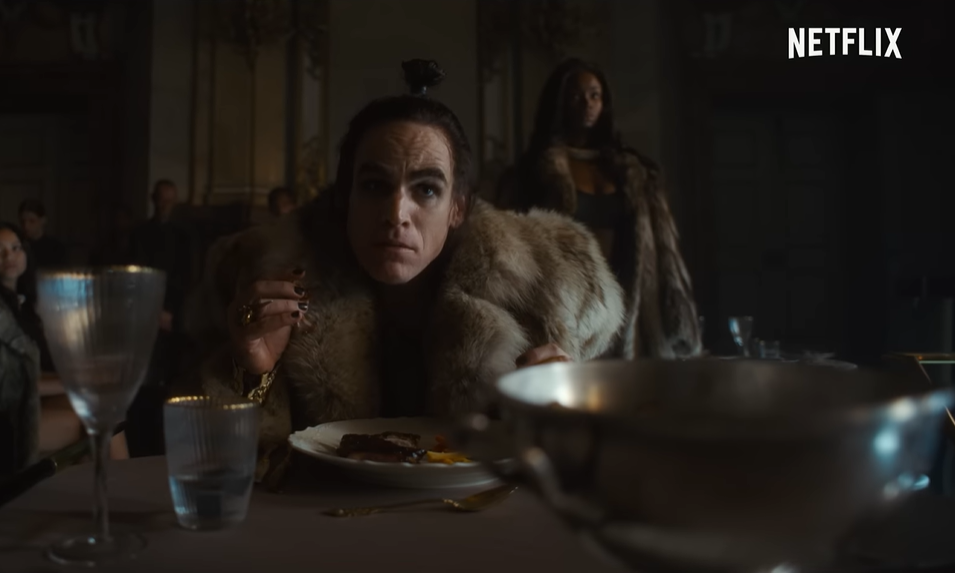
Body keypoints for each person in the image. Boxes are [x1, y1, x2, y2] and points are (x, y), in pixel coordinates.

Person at [192, 60, 624, 482]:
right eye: (374, 186)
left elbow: (587, 477)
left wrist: (559, 407)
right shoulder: (264, 280)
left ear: (458, 209)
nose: (396, 213)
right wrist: (253, 370)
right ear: (344, 199)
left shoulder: (542, 298)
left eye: (427, 190)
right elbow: (219, 473)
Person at [495, 58, 702, 359]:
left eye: (595, 95)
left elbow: (664, 254)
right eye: (576, 96)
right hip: (570, 309)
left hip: (632, 311)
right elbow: (511, 255)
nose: (587, 104)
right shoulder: (533, 174)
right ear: (560, 102)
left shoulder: (635, 174)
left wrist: (677, 318)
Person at [0, 223, 127, 481]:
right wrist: (76, 381)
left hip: (21, 405)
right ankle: (122, 487)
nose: (9, 256)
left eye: (16, 248)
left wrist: (85, 377)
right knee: (96, 420)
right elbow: (1, 385)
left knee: (107, 404)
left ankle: (106, 490)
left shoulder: (24, 306)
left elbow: (30, 373)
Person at [126, 179, 192, 456]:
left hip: (176, 318)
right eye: (160, 199)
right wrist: (151, 311)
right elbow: (134, 275)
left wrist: (173, 316)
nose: (164, 205)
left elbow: (189, 278)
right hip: (144, 315)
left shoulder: (185, 236)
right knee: (143, 385)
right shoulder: (139, 234)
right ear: (153, 199)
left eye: (169, 200)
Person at [17, 197, 68, 269]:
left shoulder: (56, 248)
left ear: (43, 220)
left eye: (32, 221)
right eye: (22, 222)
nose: (26, 226)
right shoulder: (18, 246)